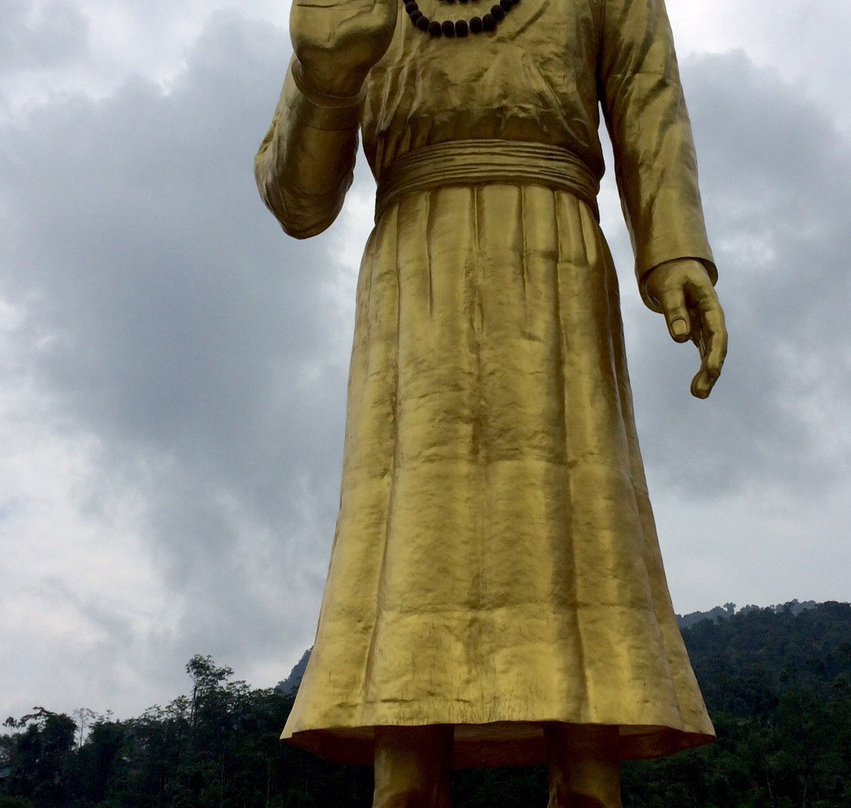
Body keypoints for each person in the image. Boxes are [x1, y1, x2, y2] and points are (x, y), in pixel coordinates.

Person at [255, 0, 728, 802]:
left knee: (577, 548)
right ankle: (406, 780)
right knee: (411, 554)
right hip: (416, 284)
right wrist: (324, 78)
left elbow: (653, 107)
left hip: (555, 267)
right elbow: (298, 202)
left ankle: (585, 780)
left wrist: (676, 251)